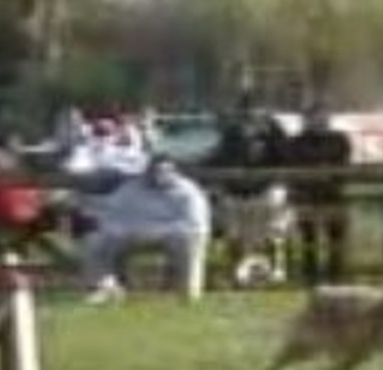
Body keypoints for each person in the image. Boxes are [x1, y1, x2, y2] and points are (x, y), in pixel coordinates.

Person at [80, 157, 213, 304]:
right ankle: (106, 288)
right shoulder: (130, 189)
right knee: (97, 242)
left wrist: (157, 232)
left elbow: (194, 225)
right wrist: (121, 231)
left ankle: (189, 293)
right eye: (156, 170)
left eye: (166, 170)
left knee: (187, 241)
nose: (160, 174)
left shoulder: (188, 192)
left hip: (172, 235)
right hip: (134, 234)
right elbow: (111, 218)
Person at [207, 94, 292, 286]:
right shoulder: (231, 133)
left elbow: (286, 157)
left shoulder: (273, 132)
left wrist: (271, 133)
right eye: (245, 110)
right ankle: (236, 272)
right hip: (235, 193)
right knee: (232, 232)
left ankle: (276, 270)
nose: (250, 114)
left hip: (266, 191)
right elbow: (218, 160)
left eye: (255, 109)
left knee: (273, 228)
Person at [284, 106, 354, 285]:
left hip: (333, 195)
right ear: (305, 120)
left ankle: (335, 273)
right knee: (308, 237)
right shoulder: (295, 142)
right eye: (313, 118)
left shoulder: (340, 139)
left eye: (322, 117)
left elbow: (342, 160)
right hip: (306, 196)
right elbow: (294, 162)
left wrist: (320, 167)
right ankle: (310, 274)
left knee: (336, 237)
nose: (318, 121)